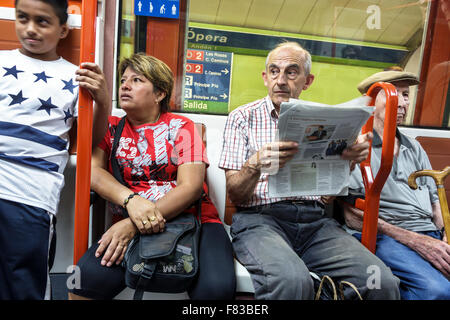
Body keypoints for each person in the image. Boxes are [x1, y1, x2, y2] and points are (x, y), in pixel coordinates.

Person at [219, 41, 400, 300]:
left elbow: (327, 196)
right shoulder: (241, 118)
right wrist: (255, 164)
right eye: (273, 71)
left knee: (380, 281)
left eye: (291, 72)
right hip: (260, 220)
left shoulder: (323, 119)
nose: (280, 80)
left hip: (316, 222)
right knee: (293, 281)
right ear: (264, 77)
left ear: (308, 80)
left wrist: (349, 161)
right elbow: (235, 195)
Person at [68, 53, 235, 300]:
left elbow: (190, 187)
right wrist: (131, 202)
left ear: (159, 94)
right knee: (80, 282)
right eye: (124, 80)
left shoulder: (183, 127)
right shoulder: (111, 127)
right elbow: (92, 172)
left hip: (194, 221)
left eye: (137, 80)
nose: (125, 85)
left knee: (216, 291)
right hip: (131, 216)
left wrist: (133, 224)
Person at [0, 0, 110, 300]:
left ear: (63, 30)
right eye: (23, 19)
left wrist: (103, 101)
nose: (30, 29)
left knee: (23, 280)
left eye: (42, 22)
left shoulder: (75, 76)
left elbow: (92, 139)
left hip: (32, 189)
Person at [340, 69, 450, 300]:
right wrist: (416, 240)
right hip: (387, 236)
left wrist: (444, 236)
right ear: (372, 100)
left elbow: (434, 202)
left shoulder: (414, 146)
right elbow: (352, 216)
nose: (401, 102)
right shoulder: (357, 145)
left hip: (428, 231)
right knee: (438, 291)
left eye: (406, 94)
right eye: (393, 94)